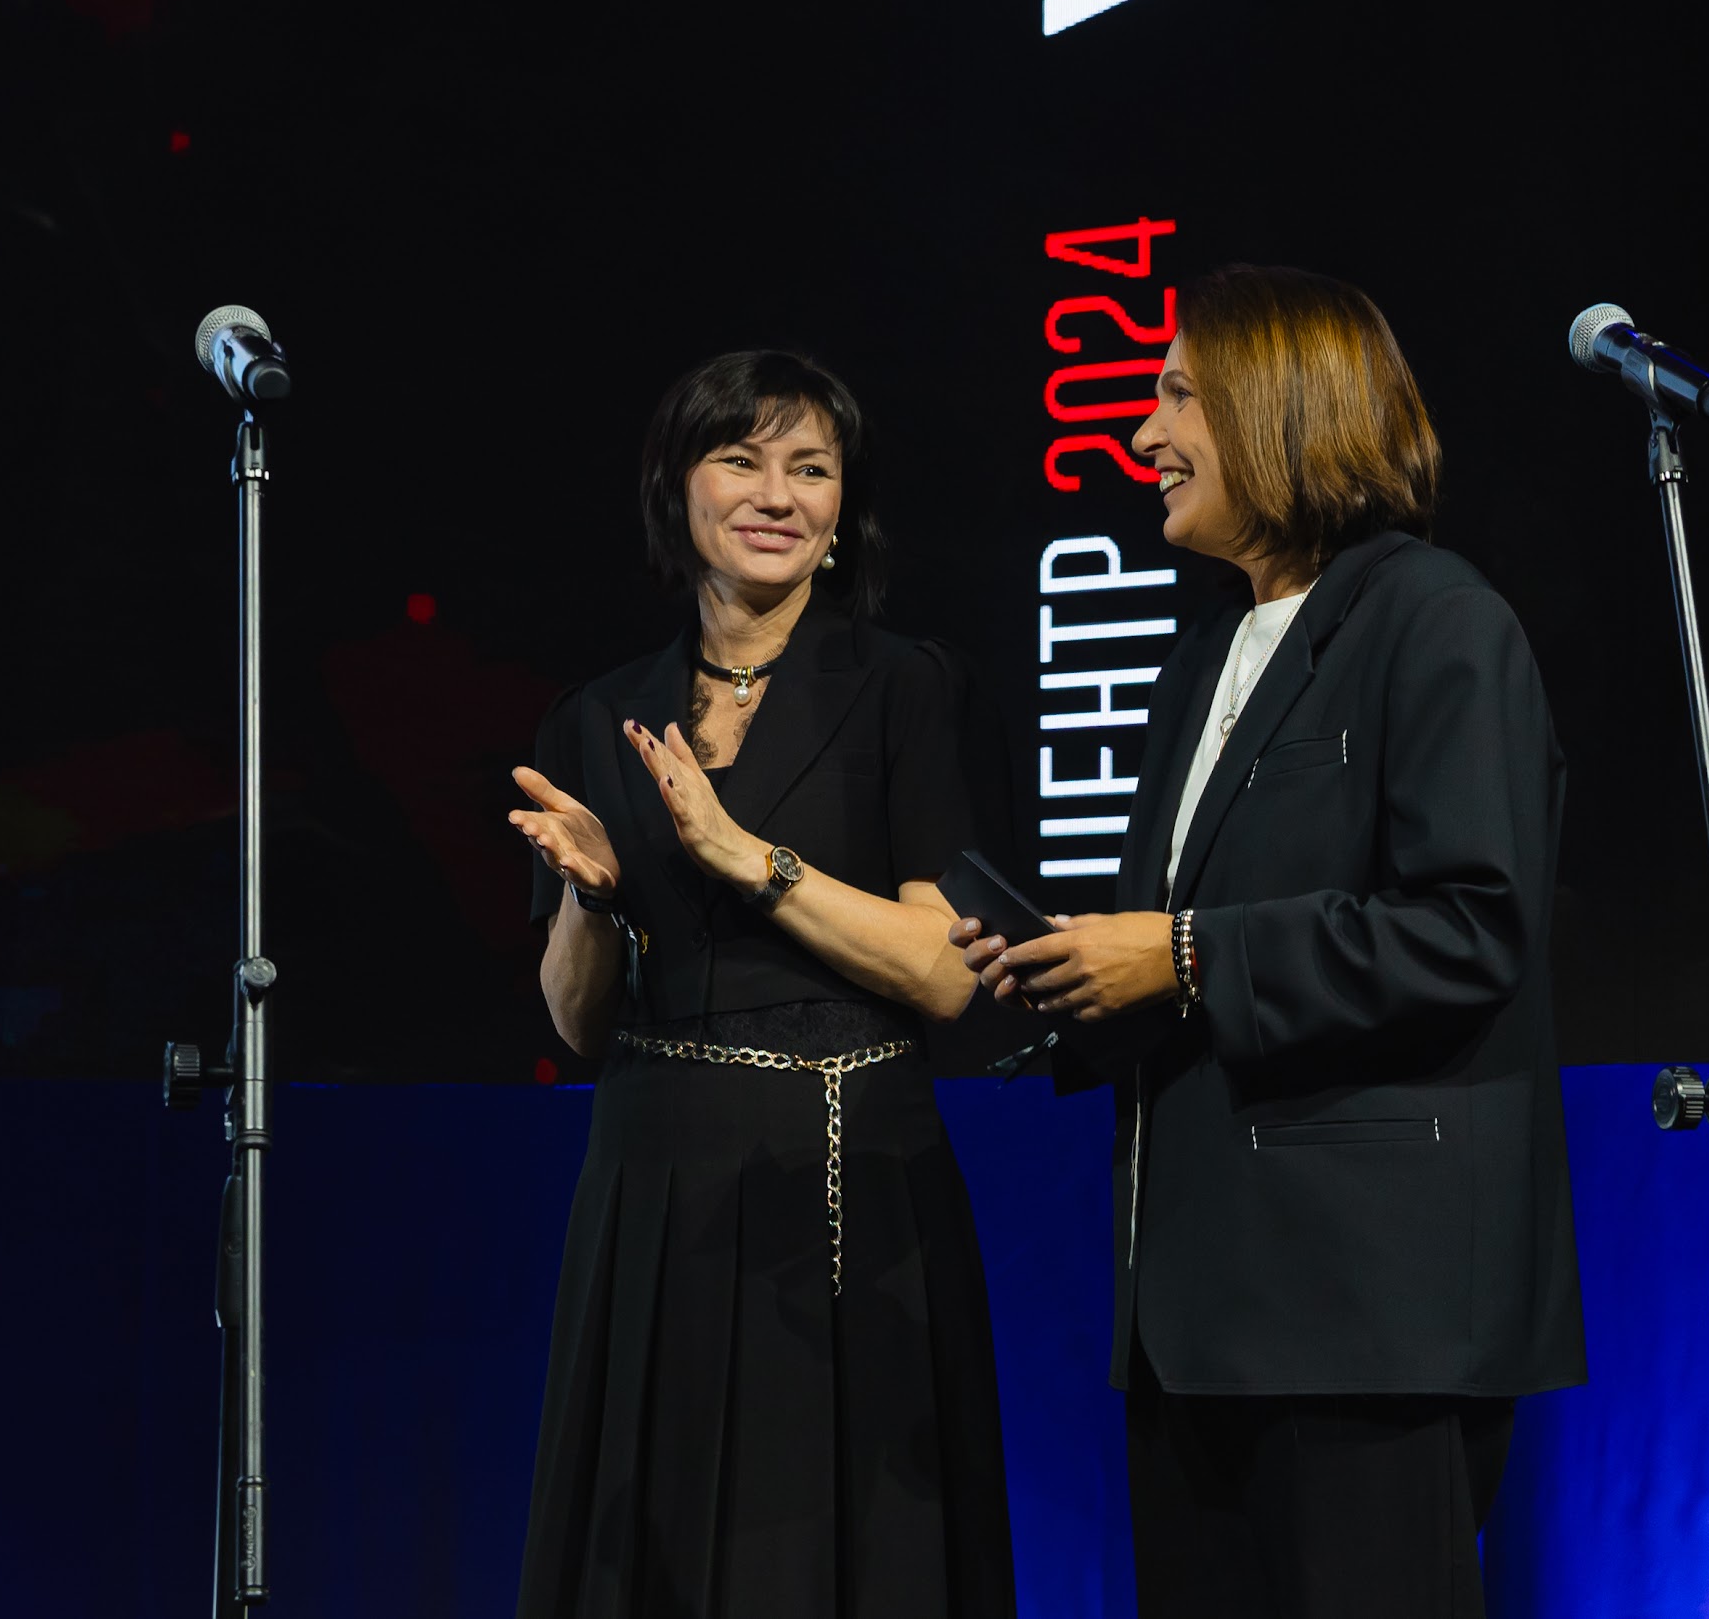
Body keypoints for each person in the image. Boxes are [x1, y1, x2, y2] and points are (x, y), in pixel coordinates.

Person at [953, 266, 1585, 1617]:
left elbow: (1470, 925)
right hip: (1195, 1320)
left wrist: (1183, 954)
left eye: (1178, 395)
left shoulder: (1437, 618)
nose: (1144, 434)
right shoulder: (1203, 655)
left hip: (1365, 1316)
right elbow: (1181, 941)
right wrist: (1069, 971)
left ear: (1279, 406)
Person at [506, 349, 1016, 1618]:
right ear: (675, 487)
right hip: (656, 1182)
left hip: (849, 1177)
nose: (776, 494)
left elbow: (942, 973)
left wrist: (748, 857)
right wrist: (592, 896)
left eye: (811, 467)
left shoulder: (905, 685)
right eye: (740, 458)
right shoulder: (597, 716)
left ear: (844, 510)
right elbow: (576, 1022)